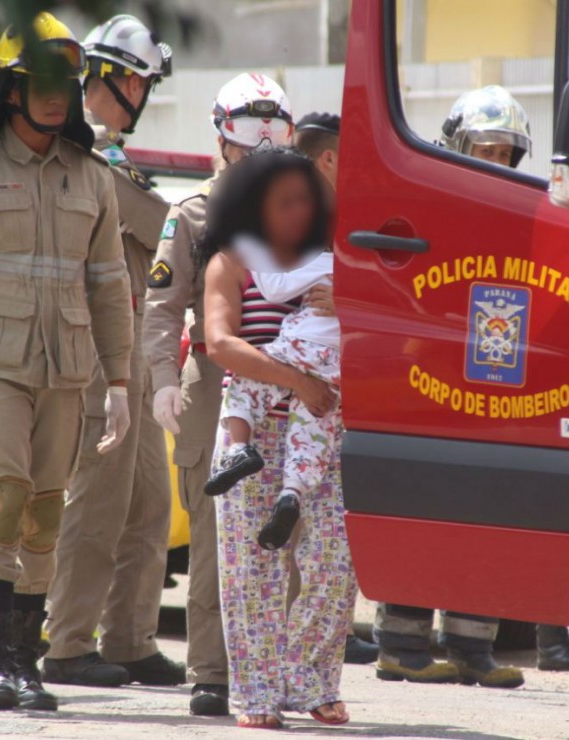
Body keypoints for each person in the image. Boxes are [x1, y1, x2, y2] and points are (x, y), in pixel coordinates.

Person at [0, 12, 133, 713]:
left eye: (65, 85)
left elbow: (110, 287)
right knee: (2, 501)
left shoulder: (92, 177)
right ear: (10, 91)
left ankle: (26, 662)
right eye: (40, 84)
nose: (55, 98)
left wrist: (120, 381)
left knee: (45, 514)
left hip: (65, 374)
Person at [374, 87, 569, 689]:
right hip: (431, 379)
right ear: (457, 146)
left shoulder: (525, 212)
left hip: (497, 379)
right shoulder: (428, 200)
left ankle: (472, 647)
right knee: (425, 506)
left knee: (487, 507)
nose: (498, 164)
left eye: (506, 154)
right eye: (486, 150)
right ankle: (402, 643)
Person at [143, 71, 295, 717]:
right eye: (246, 140)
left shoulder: (304, 210)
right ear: (223, 141)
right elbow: (160, 306)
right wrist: (161, 380)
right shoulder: (193, 213)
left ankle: (271, 670)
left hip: (290, 382)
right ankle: (212, 671)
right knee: (213, 533)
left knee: (286, 528)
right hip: (212, 378)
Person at [43, 14, 185, 689]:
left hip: (133, 343)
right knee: (99, 500)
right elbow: (161, 228)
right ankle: (68, 642)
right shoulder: (87, 150)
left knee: (150, 504)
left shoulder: (110, 153)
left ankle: (129, 638)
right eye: (142, 82)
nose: (142, 94)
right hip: (100, 350)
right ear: (126, 82)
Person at [203, 148, 356, 729]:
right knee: (251, 569)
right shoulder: (233, 259)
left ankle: (312, 682)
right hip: (258, 425)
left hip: (327, 420)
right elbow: (220, 343)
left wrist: (353, 304)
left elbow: (398, 321)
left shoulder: (343, 257)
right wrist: (297, 382)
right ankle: (259, 696)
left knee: (335, 562)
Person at [289, 111, 380, 667]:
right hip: (290, 391)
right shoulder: (292, 217)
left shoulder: (349, 218)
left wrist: (351, 297)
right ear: (329, 158)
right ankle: (300, 654)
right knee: (294, 526)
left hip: (341, 389)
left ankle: (326, 641)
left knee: (329, 532)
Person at [204, 238, 337, 556]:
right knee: (312, 436)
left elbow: (276, 289)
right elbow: (219, 344)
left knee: (242, 389)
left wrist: (255, 258)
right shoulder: (361, 269)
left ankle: (240, 449)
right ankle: (291, 494)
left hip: (304, 363)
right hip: (329, 383)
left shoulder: (321, 261)